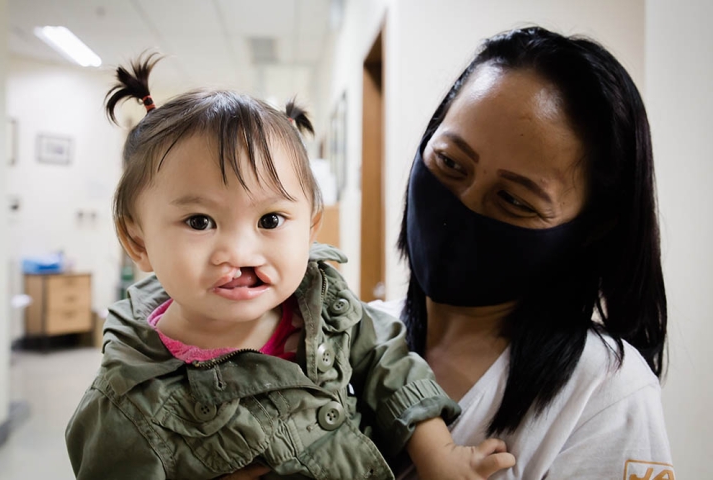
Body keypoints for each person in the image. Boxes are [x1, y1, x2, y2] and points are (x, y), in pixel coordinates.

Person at [65, 54, 515, 480]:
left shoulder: (324, 303)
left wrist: (441, 456)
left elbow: (386, 361)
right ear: (137, 240)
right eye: (200, 221)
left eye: (270, 220)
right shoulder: (127, 402)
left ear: (310, 228)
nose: (240, 252)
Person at [378, 26, 674, 479]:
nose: (465, 203)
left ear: (589, 231)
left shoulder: (603, 393)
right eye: (451, 164)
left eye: (514, 200)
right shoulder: (352, 335)